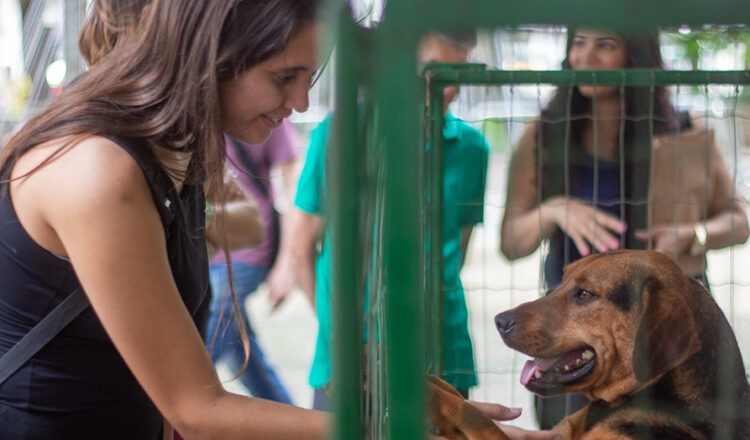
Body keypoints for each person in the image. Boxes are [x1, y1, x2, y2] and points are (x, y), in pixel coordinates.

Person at [500, 27, 750, 429]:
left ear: (635, 57)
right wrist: (554, 210)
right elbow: (511, 242)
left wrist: (692, 235)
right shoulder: (543, 135)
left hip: (664, 329)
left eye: (605, 44)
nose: (586, 57)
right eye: (578, 44)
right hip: (577, 333)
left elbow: (738, 221)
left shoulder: (685, 131)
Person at [292, 31, 490, 410]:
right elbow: (300, 251)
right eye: (432, 74)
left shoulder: (473, 149)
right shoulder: (337, 134)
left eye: (458, 75)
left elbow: (456, 252)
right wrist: (343, 332)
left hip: (443, 350)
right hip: (351, 357)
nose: (446, 90)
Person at [205, 122, 300, 404]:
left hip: (249, 248)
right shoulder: (194, 109)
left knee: (202, 352)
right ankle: (289, 422)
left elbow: (293, 184)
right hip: (207, 250)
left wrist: (286, 264)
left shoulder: (271, 112)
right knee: (243, 356)